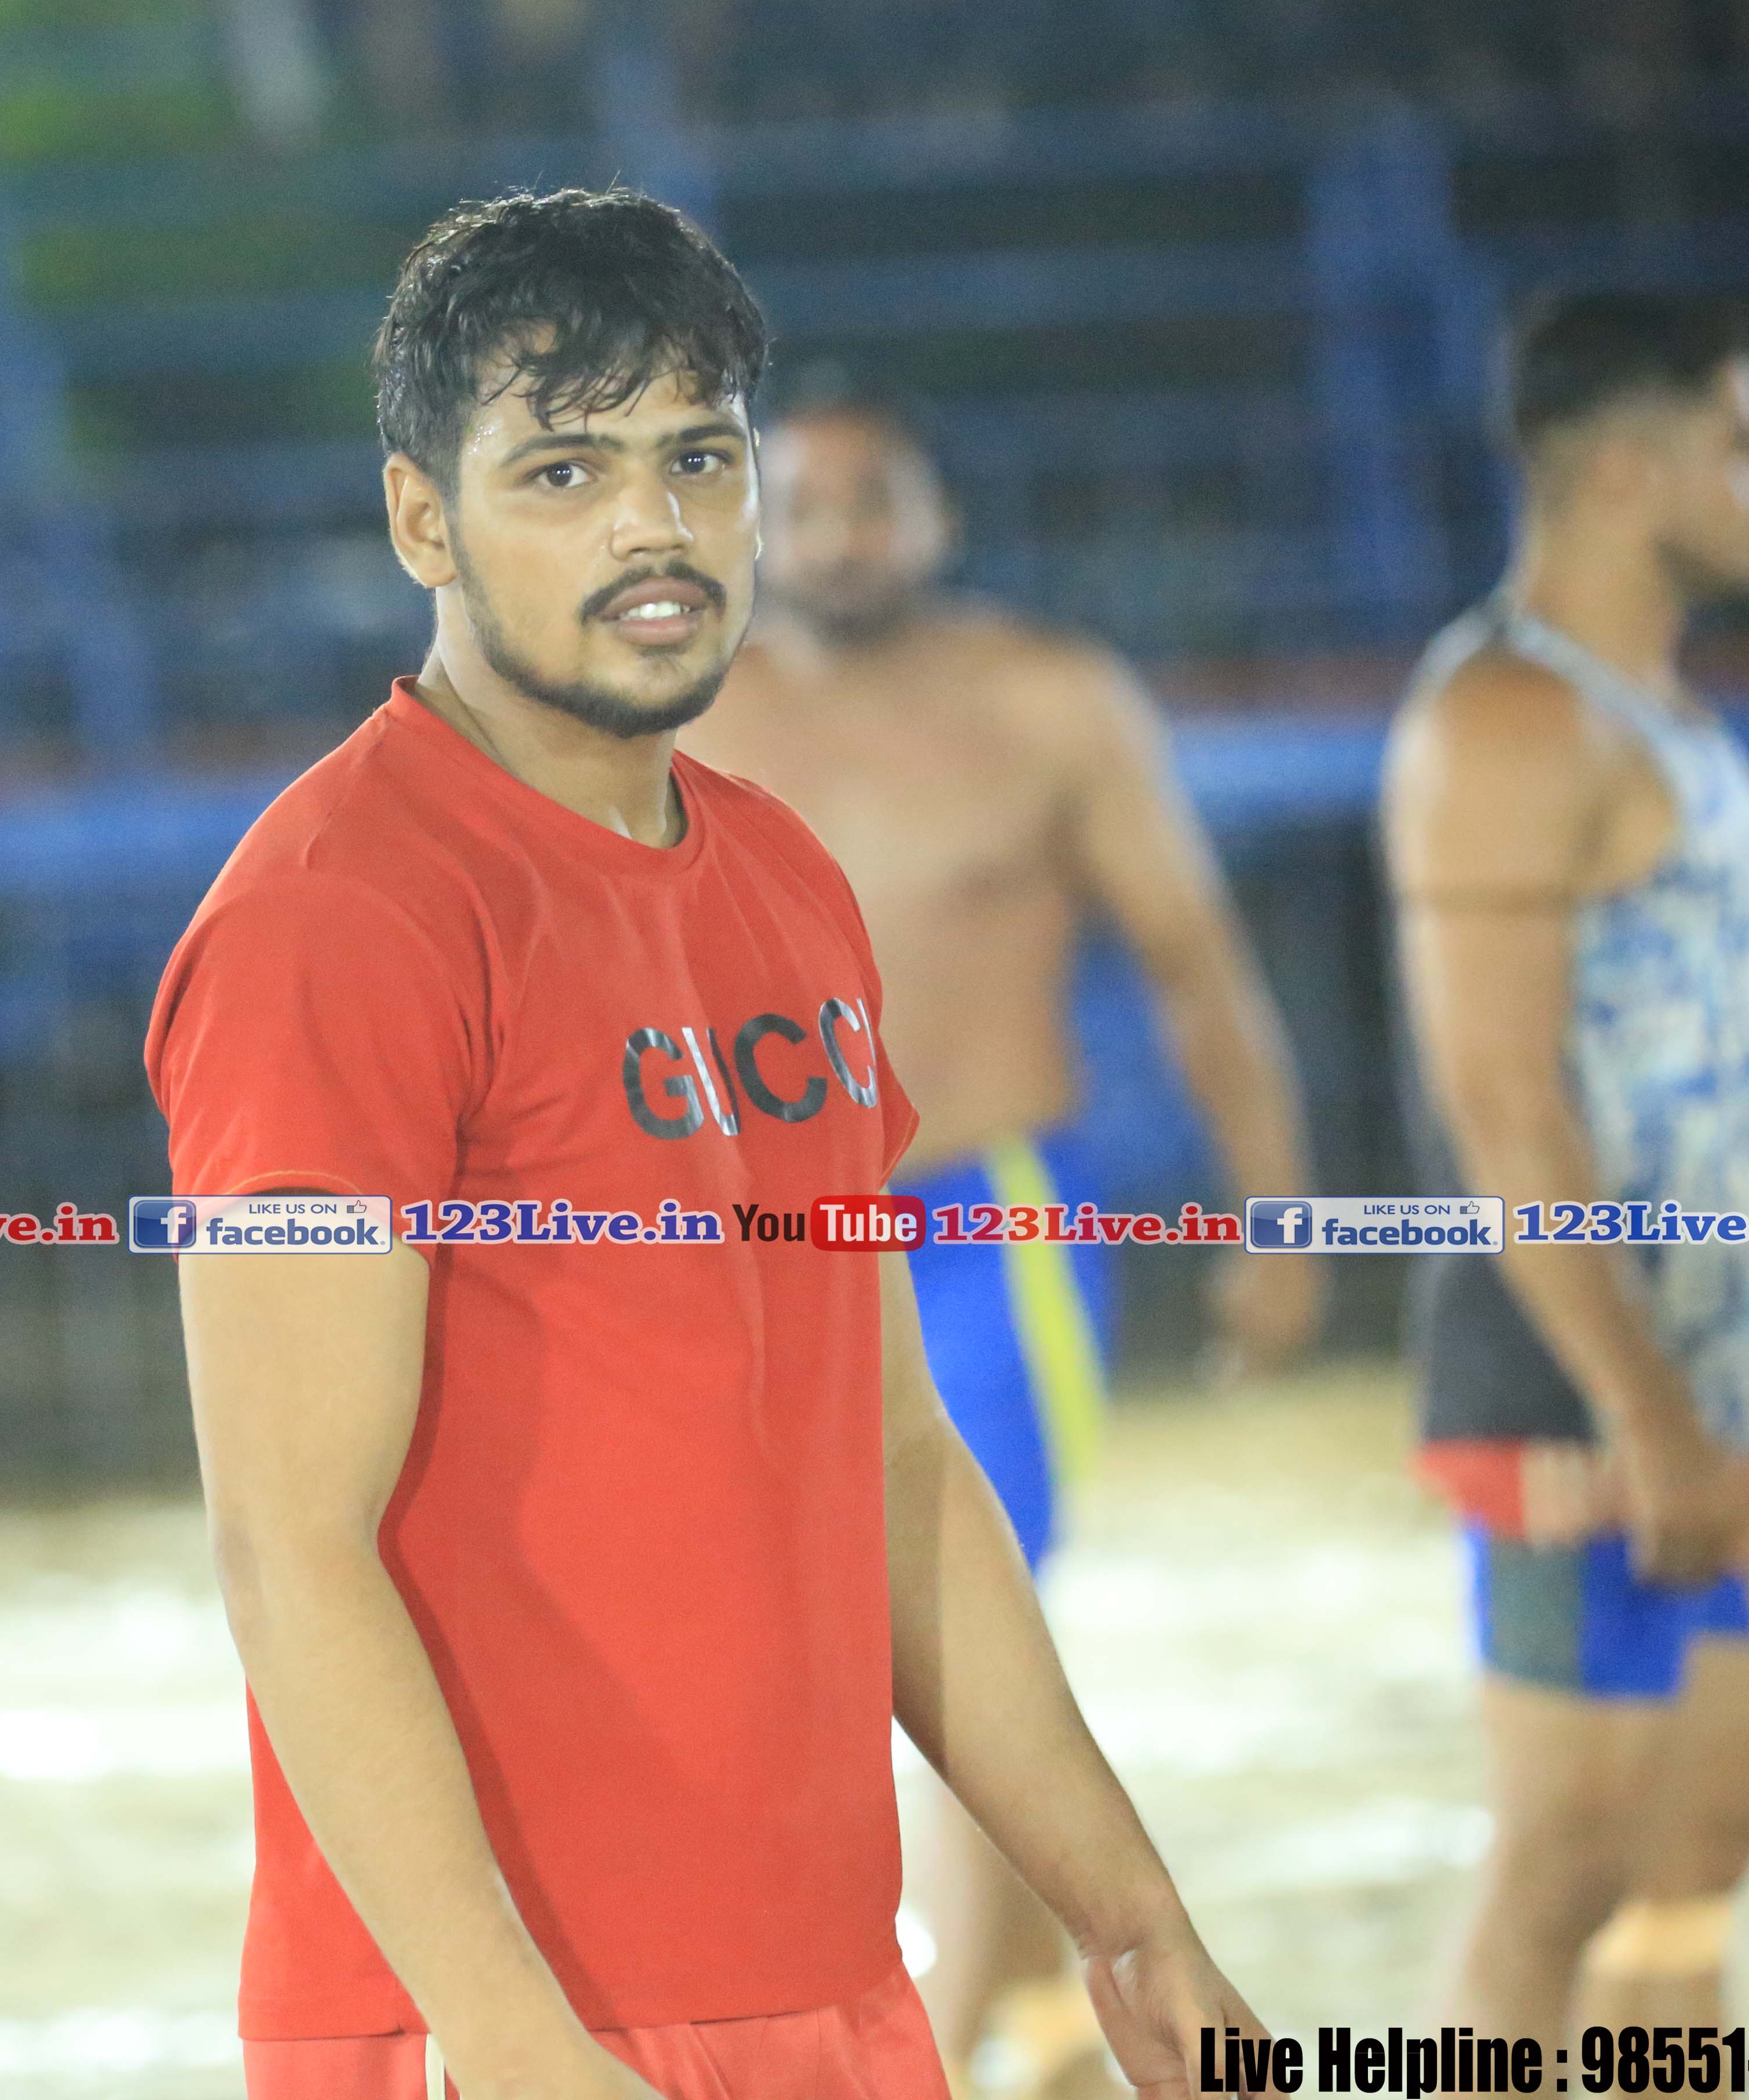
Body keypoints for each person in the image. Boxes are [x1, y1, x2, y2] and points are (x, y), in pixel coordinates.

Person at [145, 188, 1268, 2100]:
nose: (651, 526)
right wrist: (514, 2041)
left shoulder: (781, 883)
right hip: (496, 2028)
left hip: (830, 1987)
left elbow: (898, 1463)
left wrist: (1131, 1914)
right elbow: (288, 1545)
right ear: (422, 520)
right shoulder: (337, 917)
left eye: (697, 459)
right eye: (563, 472)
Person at [680, 370, 1319, 2099]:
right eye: (805, 507)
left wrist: (1277, 1216)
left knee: (962, 1625)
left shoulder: (1051, 703)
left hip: (988, 1223)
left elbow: (1195, 962)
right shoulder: (687, 714)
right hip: (754, 1242)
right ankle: (1029, 2011)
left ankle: (942, 2052)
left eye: (874, 501)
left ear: (940, 518)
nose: (840, 537)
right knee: (787, 1641)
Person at [1381, 293, 1749, 2044]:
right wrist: (1650, 1412)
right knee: (1569, 1867)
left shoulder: (1655, 704)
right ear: (1622, 474)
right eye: (1743, 445)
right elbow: (1505, 1107)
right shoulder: (1505, 721)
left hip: (1726, 1378)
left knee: (1695, 1862)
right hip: (1576, 1395)